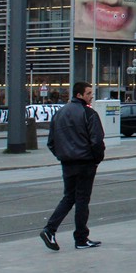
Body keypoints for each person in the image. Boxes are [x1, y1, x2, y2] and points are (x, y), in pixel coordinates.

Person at [40, 81, 106, 251]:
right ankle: (81, 239)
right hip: (85, 162)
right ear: (80, 95)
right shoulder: (89, 113)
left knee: (69, 197)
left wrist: (62, 155)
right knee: (82, 200)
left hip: (67, 162)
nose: (92, 96)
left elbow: (51, 142)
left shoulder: (60, 113)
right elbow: (97, 140)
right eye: (89, 93)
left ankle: (50, 229)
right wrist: (97, 158)